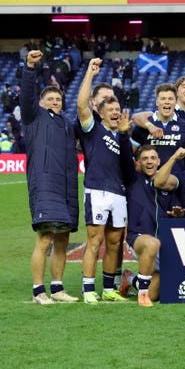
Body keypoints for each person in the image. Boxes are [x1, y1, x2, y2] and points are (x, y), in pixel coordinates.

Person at [20, 50, 79, 304]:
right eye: (51, 99)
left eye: (58, 99)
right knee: (45, 239)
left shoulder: (66, 125)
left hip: (66, 187)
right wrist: (31, 67)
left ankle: (57, 288)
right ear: (41, 103)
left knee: (63, 239)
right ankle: (38, 291)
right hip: (44, 185)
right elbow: (27, 96)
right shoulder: (34, 117)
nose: (55, 102)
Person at [76, 58, 128, 304]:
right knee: (95, 241)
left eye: (117, 110)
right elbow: (81, 105)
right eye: (111, 110)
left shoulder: (121, 137)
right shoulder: (92, 129)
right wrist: (90, 74)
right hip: (97, 191)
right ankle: (88, 290)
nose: (115, 113)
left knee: (115, 242)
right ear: (101, 113)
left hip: (118, 193)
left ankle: (108, 288)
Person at [118, 124, 184, 307]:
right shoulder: (132, 178)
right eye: (145, 158)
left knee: (156, 294)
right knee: (151, 243)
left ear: (158, 161)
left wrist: (176, 213)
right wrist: (124, 134)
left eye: (153, 158)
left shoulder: (166, 184)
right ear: (138, 162)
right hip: (138, 237)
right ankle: (142, 295)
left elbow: (175, 207)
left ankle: (131, 279)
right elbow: (124, 157)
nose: (149, 161)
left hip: (162, 243)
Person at [130, 83, 185, 174]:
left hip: (176, 182)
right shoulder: (143, 126)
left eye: (170, 99)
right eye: (163, 99)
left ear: (175, 102)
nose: (167, 102)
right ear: (157, 102)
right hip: (148, 181)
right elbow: (128, 154)